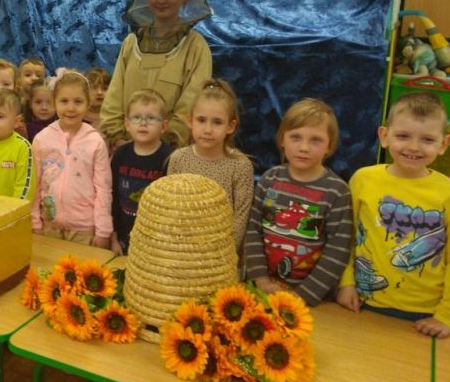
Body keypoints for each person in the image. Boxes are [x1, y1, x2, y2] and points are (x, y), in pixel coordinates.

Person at [337, 92, 450, 338]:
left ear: (444, 144)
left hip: (426, 314)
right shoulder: (363, 179)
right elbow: (345, 237)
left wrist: (447, 315)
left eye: (427, 139)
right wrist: (345, 283)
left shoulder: (449, 193)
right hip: (363, 304)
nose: (413, 147)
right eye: (403, 136)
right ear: (384, 136)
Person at [244, 98, 352, 307]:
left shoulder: (337, 192)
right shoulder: (269, 180)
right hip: (261, 290)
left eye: (315, 140)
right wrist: (261, 280)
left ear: (329, 146)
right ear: (282, 139)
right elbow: (253, 232)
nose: (304, 147)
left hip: (309, 300)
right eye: (295, 137)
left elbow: (338, 251)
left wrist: (303, 296)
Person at [101, 0, 213, 150]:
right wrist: (118, 140)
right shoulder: (131, 43)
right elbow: (114, 98)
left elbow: (192, 104)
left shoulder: (195, 46)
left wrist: (164, 145)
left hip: (171, 154)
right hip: (124, 150)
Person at [167, 79, 254, 257]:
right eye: (201, 120)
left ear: (230, 126)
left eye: (217, 122)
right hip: (180, 252)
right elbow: (171, 207)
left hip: (220, 256)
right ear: (190, 121)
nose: (207, 129)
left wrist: (222, 254)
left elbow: (240, 217)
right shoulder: (178, 159)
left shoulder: (240, 165)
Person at [31, 71, 112, 248]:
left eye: (78, 101)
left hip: (84, 229)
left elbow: (103, 189)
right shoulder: (41, 139)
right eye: (64, 101)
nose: (71, 108)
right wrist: (35, 222)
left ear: (88, 104)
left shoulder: (95, 142)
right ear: (54, 102)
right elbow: (34, 185)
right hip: (49, 226)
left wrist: (103, 230)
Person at [110, 89, 173, 255]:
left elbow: (170, 208)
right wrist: (113, 237)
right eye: (137, 117)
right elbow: (112, 196)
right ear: (127, 124)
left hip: (155, 240)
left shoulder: (169, 158)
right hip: (122, 234)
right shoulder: (120, 154)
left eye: (151, 118)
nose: (143, 123)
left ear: (164, 126)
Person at [25, 78, 56, 143]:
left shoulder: (64, 126)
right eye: (38, 102)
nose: (44, 107)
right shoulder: (25, 128)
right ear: (30, 103)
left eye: (49, 103)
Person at [84, 67, 110, 131]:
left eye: (105, 88)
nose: (99, 92)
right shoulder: (75, 116)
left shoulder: (114, 118)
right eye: (94, 88)